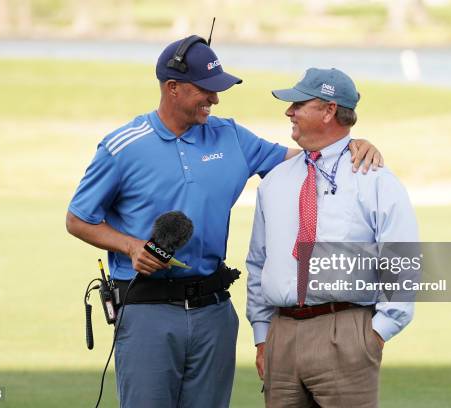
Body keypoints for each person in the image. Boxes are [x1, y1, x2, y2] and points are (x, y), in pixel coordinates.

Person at [66, 35, 383, 408]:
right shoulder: (123, 146)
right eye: (206, 90)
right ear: (173, 89)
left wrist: (350, 146)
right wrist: (131, 246)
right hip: (147, 310)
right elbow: (78, 218)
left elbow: (307, 162)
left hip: (213, 313)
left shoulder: (230, 135)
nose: (215, 100)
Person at [246, 68, 418, 408]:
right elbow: (258, 261)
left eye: (298, 104)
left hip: (347, 332)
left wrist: (376, 334)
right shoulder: (275, 182)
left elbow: (402, 260)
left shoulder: (375, 180)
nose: (288, 112)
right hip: (282, 334)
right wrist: (262, 336)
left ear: (328, 111)